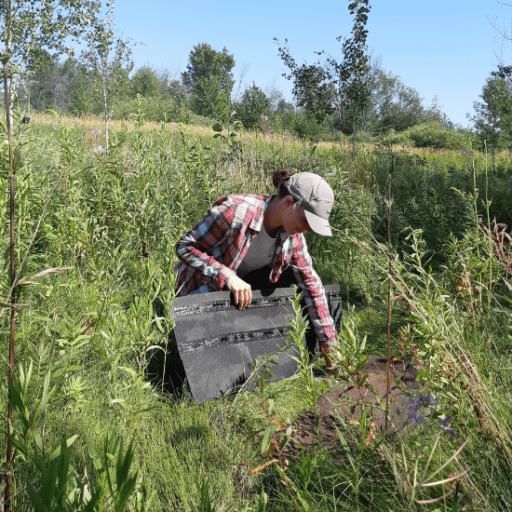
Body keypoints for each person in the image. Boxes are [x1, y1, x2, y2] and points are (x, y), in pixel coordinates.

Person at [175, 169, 340, 372]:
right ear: (289, 203)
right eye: (306, 221)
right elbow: (185, 247)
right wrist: (226, 276)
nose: (308, 229)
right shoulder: (234, 212)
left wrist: (328, 344)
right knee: (196, 360)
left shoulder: (293, 238)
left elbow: (311, 285)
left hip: (242, 290)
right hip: (202, 287)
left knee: (297, 283)